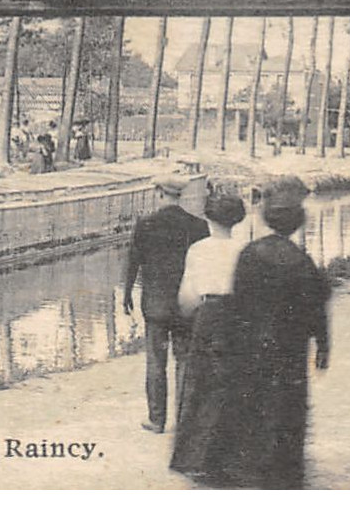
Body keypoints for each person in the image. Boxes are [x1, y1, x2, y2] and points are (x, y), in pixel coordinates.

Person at [225, 177, 330, 488]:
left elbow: (237, 302)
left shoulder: (250, 254)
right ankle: (286, 471)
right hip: (291, 347)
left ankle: (253, 466)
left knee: (254, 401)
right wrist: (323, 346)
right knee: (289, 404)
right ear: (297, 224)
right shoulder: (303, 261)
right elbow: (316, 307)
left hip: (253, 342)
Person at [169, 193, 249, 483]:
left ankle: (196, 457)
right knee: (234, 383)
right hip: (238, 318)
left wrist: (192, 314)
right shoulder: (246, 249)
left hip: (209, 315)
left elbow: (186, 298)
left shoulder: (198, 250)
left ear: (208, 218)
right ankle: (232, 455)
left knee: (201, 385)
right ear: (238, 219)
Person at [123, 173, 209, 434]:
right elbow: (203, 268)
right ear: (179, 195)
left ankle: (156, 420)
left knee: (156, 362)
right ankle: (183, 421)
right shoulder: (198, 226)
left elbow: (133, 263)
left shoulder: (145, 224)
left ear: (159, 193)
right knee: (184, 360)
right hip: (186, 305)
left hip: (156, 306)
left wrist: (126, 294)